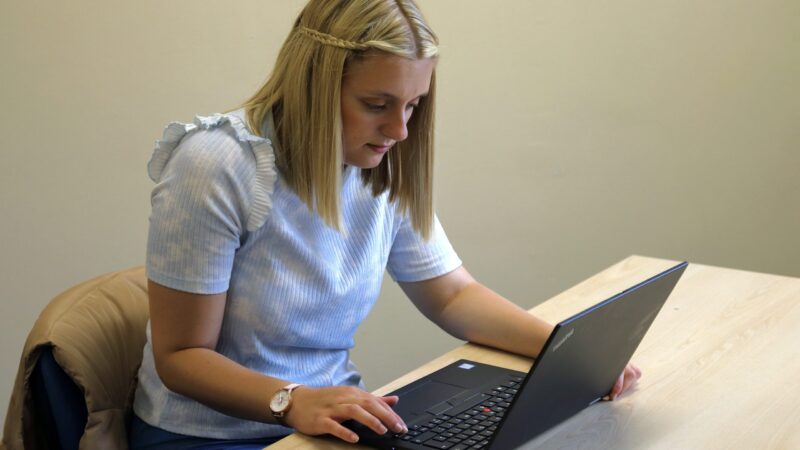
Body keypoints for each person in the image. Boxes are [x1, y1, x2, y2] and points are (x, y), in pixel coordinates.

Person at [129, 0, 642, 448]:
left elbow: (452, 296)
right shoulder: (215, 165)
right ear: (314, 85)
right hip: (208, 436)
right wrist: (292, 402)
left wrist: (568, 352)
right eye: (377, 105)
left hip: (323, 424)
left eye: (413, 106)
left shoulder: (374, 166)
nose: (399, 130)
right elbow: (182, 356)